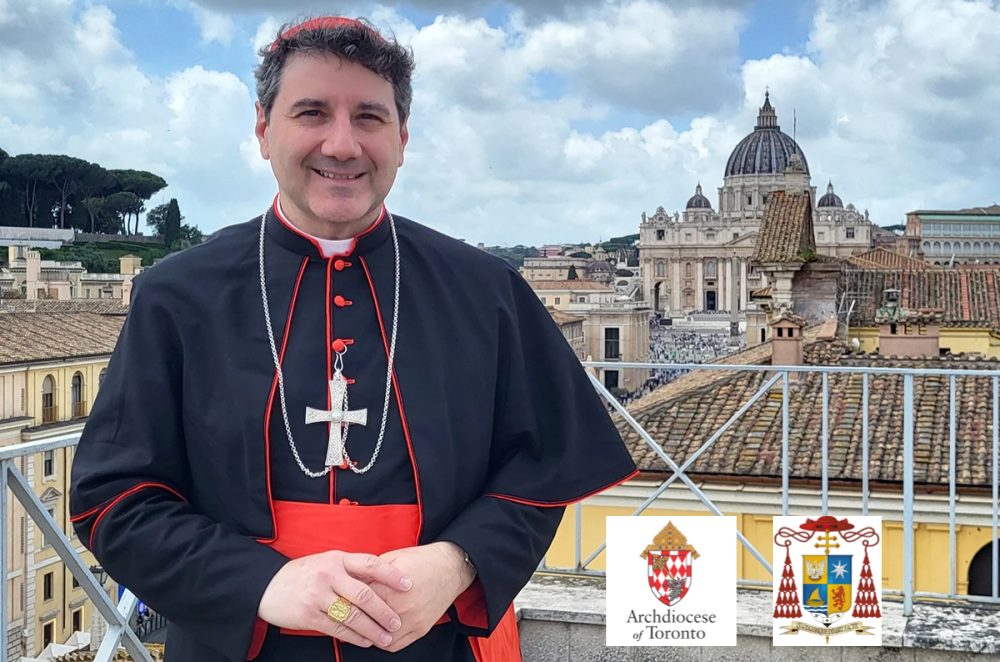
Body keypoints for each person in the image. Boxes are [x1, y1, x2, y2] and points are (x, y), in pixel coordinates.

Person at [69, 16, 638, 662]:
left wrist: (455, 565)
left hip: (433, 643)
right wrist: (266, 581)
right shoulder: (176, 296)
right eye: (312, 112)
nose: (341, 145)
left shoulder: (487, 291)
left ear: (402, 137)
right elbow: (114, 502)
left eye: (368, 117)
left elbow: (540, 473)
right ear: (263, 129)